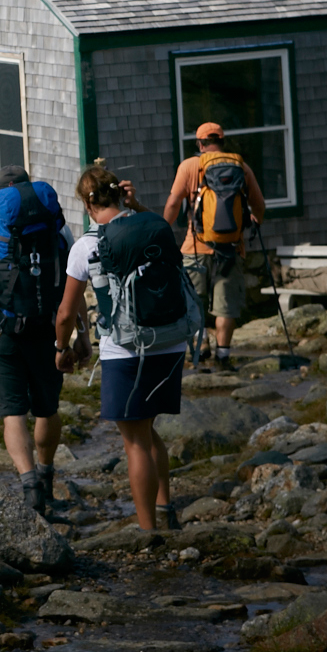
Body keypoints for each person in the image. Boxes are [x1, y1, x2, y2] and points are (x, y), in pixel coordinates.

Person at [56, 162, 192, 531]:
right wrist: (139, 205)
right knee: (149, 431)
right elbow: (165, 230)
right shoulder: (152, 226)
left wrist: (61, 347)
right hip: (170, 341)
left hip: (125, 349)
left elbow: (66, 311)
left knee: (134, 441)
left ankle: (148, 530)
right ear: (121, 194)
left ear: (87, 204)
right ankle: (165, 509)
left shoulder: (86, 246)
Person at [0, 167, 72, 522]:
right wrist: (77, 331)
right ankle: (48, 475)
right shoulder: (56, 226)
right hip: (48, 329)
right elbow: (71, 282)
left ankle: (29, 484)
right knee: (47, 408)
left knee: (13, 413)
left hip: (2, 331)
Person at [165, 122, 261, 364]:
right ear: (222, 142)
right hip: (231, 247)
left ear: (200, 144)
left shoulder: (189, 166)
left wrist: (162, 231)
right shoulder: (240, 166)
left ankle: (201, 344)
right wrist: (253, 220)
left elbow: (174, 202)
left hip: (195, 246)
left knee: (192, 299)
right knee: (225, 306)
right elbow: (259, 204)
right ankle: (224, 355)